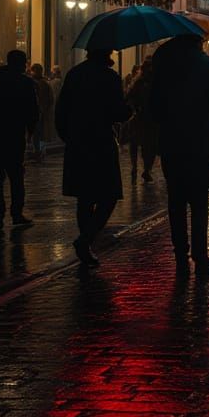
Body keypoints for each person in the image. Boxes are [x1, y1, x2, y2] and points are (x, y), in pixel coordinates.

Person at [150, 35, 209, 277]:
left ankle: (180, 253)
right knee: (199, 202)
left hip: (171, 144)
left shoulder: (162, 64)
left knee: (175, 201)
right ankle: (200, 255)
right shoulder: (208, 67)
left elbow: (153, 107)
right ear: (199, 42)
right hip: (199, 143)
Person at [56, 49, 132, 265]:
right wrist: (130, 109)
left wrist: (67, 135)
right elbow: (118, 112)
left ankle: (86, 242)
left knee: (84, 196)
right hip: (100, 142)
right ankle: (86, 239)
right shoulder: (109, 77)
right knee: (108, 196)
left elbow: (61, 109)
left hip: (78, 142)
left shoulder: (74, 74)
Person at [0, 50, 39, 230]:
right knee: (16, 177)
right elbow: (33, 111)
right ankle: (16, 213)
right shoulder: (25, 83)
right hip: (14, 135)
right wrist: (30, 132)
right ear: (20, 64)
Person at [125, 59, 157, 182]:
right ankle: (141, 168)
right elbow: (129, 98)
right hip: (143, 117)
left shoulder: (149, 83)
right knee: (142, 144)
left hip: (147, 117)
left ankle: (146, 169)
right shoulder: (141, 83)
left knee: (146, 145)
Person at [29, 63, 54, 161]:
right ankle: (39, 151)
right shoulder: (44, 83)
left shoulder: (39, 83)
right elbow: (51, 99)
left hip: (39, 112)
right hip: (40, 111)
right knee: (38, 133)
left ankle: (38, 151)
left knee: (37, 132)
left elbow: (50, 99)